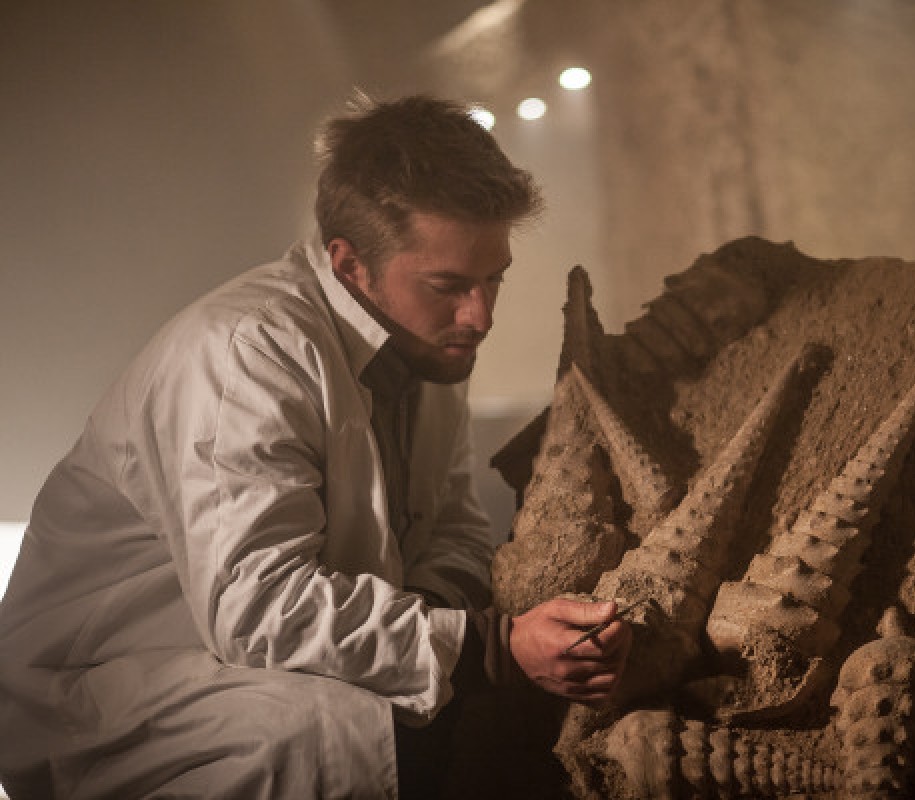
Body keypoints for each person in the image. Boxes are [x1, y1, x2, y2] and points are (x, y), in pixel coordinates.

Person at [0, 94, 631, 798]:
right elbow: (259, 607)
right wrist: (487, 649)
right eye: (449, 285)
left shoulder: (429, 347)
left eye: (494, 279)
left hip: (245, 659)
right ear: (350, 263)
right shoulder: (245, 355)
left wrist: (435, 627)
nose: (479, 316)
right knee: (327, 734)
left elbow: (451, 528)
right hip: (108, 688)